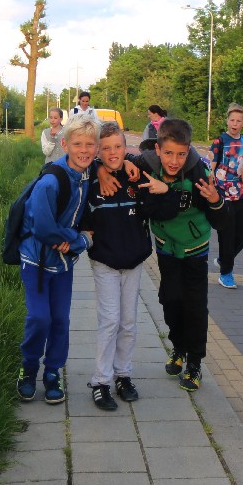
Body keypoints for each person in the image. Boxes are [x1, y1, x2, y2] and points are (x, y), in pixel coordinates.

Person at [81, 122, 168, 410]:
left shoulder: (135, 175)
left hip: (133, 262)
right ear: (97, 151)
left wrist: (160, 188)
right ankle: (100, 381)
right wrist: (98, 169)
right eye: (105, 148)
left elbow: (155, 201)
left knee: (128, 322)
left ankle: (123, 375)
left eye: (118, 146)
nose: (113, 152)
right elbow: (74, 164)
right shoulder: (91, 181)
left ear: (125, 147)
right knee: (110, 321)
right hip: (105, 262)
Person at [136, 117, 227, 392]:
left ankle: (195, 363)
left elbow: (221, 221)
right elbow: (117, 162)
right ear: (158, 149)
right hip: (166, 248)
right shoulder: (147, 166)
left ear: (188, 151)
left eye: (181, 154)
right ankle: (178, 348)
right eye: (168, 153)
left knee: (195, 306)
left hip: (195, 249)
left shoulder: (200, 173)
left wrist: (215, 200)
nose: (174, 161)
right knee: (171, 300)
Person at [17, 113, 100, 404]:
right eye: (77, 144)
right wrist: (80, 240)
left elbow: (121, 160)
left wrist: (69, 241)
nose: (84, 150)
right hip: (36, 261)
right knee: (39, 317)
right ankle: (29, 369)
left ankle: (52, 372)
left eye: (90, 145)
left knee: (60, 321)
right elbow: (42, 228)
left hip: (63, 264)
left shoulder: (88, 174)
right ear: (65, 145)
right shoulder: (51, 181)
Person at [209, 103, 243, 289]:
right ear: (227, 121)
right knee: (227, 233)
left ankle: (224, 259)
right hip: (222, 193)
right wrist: (211, 191)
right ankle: (226, 274)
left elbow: (242, 164)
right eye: (232, 120)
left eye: (238, 121)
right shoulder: (219, 141)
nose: (235, 123)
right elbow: (211, 168)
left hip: (240, 191)